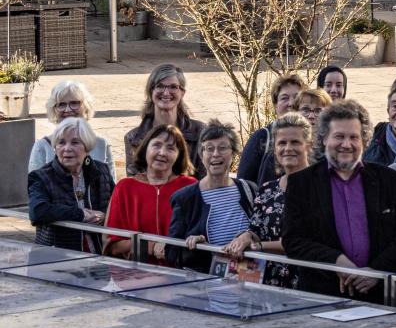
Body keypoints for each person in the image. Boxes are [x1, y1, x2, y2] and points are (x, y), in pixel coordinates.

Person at [283, 101, 396, 298]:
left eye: (354, 137)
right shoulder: (301, 183)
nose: (346, 144)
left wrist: (376, 271)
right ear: (324, 139)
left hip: (377, 294)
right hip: (321, 294)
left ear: (364, 140)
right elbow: (293, 240)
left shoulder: (389, 180)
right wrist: (336, 261)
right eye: (339, 136)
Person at [225, 112, 312, 289]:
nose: (288, 148)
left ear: (308, 146)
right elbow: (257, 228)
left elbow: (306, 241)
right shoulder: (267, 189)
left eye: (295, 142)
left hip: (305, 282)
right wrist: (246, 236)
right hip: (265, 283)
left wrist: (258, 246)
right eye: (282, 143)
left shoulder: (321, 187)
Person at [170, 122, 258, 276]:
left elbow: (263, 231)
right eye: (209, 148)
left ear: (234, 154)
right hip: (205, 285)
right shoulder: (185, 198)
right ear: (201, 154)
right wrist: (196, 246)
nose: (216, 154)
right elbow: (172, 252)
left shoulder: (250, 189)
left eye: (223, 148)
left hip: (248, 281)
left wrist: (250, 236)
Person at [103, 124, 195, 261]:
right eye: (156, 145)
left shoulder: (189, 187)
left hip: (180, 271)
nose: (162, 153)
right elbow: (112, 244)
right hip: (135, 274)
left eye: (170, 148)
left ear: (179, 155)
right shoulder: (125, 188)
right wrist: (151, 246)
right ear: (145, 148)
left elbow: (199, 235)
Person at [28, 117, 114, 252]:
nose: (67, 148)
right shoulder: (41, 176)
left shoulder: (101, 171)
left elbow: (116, 206)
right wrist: (81, 215)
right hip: (55, 257)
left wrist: (105, 216)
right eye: (61, 143)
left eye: (75, 142)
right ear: (55, 147)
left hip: (99, 254)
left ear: (87, 147)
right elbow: (38, 212)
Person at [121, 64, 205, 175]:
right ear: (151, 91)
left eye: (173, 87)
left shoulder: (200, 132)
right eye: (160, 86)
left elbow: (206, 182)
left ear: (182, 93)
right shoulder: (133, 138)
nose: (166, 93)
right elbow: (135, 184)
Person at [27, 81, 113, 175]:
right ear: (54, 110)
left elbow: (112, 187)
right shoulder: (42, 147)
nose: (68, 110)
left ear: (86, 107)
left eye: (74, 103)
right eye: (61, 104)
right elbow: (34, 187)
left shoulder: (101, 144)